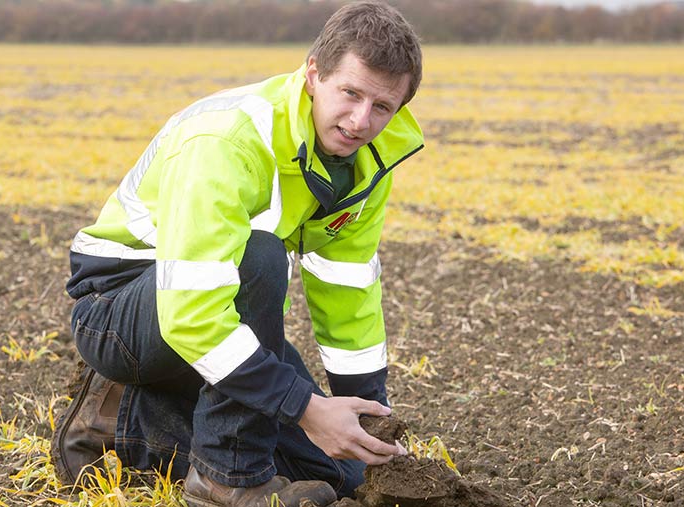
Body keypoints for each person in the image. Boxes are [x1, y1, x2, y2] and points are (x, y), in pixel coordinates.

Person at [50, 2, 424, 506]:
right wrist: (305, 406)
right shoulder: (226, 139)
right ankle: (228, 480)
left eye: (382, 107)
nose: (361, 121)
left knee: (342, 475)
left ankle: (122, 417)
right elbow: (193, 313)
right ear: (314, 74)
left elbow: (347, 287)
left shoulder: (367, 163)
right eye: (350, 93)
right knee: (260, 256)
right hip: (121, 310)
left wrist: (369, 417)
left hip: (217, 303)